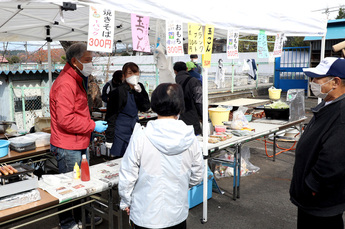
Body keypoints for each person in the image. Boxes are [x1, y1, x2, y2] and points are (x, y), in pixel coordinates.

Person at [119, 83, 204, 229]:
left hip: (145, 214)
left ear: (154, 104)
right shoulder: (190, 137)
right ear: (180, 106)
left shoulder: (141, 135)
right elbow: (198, 175)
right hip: (177, 214)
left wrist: (126, 201)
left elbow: (127, 175)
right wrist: (179, 184)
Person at [49, 42, 107, 229]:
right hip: (68, 146)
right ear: (74, 61)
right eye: (88, 60)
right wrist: (92, 125)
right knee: (69, 188)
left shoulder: (75, 78)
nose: (91, 64)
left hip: (78, 142)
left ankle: (83, 216)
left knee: (81, 185)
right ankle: (67, 222)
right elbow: (65, 120)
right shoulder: (66, 83)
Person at [290, 57, 345, 229]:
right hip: (312, 201)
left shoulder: (342, 114)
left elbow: (333, 162)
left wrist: (311, 187)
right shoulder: (329, 104)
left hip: (321, 202)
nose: (312, 82)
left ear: (335, 82)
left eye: (316, 79)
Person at [105, 62, 150, 157]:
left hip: (135, 128)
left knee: (135, 158)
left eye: (136, 72)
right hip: (120, 131)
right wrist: (109, 137)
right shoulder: (118, 91)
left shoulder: (140, 87)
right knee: (120, 160)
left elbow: (145, 107)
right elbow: (111, 115)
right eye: (130, 73)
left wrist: (139, 93)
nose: (134, 75)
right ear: (124, 75)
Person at [174, 61, 203, 135]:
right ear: (187, 69)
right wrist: (203, 116)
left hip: (179, 118)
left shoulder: (174, 83)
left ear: (175, 71)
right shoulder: (194, 81)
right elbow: (199, 100)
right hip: (193, 117)